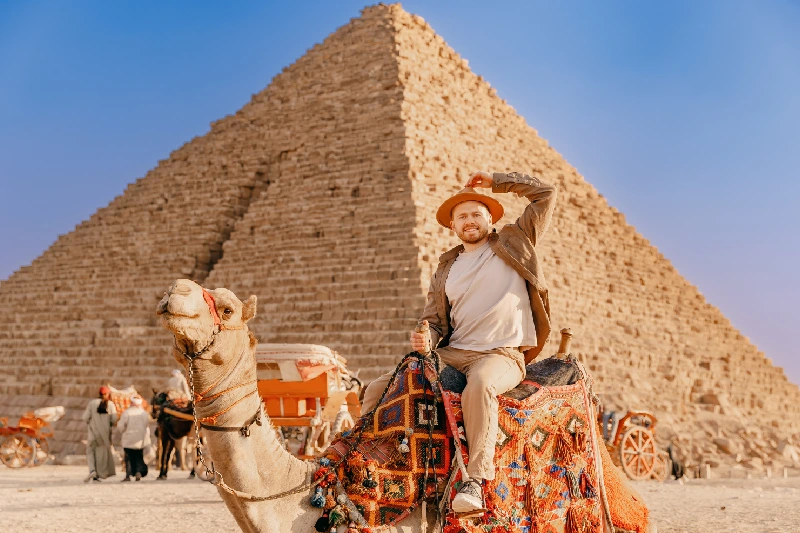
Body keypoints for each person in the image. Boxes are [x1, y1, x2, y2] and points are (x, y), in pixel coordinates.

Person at [361, 170, 556, 513]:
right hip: (453, 353)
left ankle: (475, 481)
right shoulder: (446, 269)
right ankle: (362, 461)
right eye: (462, 216)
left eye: (476, 214)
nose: (469, 221)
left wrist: (497, 181)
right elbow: (436, 322)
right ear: (452, 225)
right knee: (380, 388)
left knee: (479, 385)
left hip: (501, 353)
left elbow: (545, 193)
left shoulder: (516, 242)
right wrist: (426, 336)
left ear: (490, 219)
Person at [82, 386, 118, 482]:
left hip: (93, 434)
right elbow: (114, 419)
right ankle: (98, 473)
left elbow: (85, 417)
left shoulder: (92, 403)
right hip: (104, 435)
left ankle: (92, 470)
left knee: (90, 452)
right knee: (100, 454)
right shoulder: (110, 405)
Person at [117, 396, 151, 481]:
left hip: (128, 439)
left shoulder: (127, 413)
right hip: (139, 439)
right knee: (138, 456)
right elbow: (146, 425)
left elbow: (121, 426)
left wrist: (123, 431)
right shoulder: (144, 413)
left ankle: (128, 475)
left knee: (128, 457)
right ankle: (138, 473)